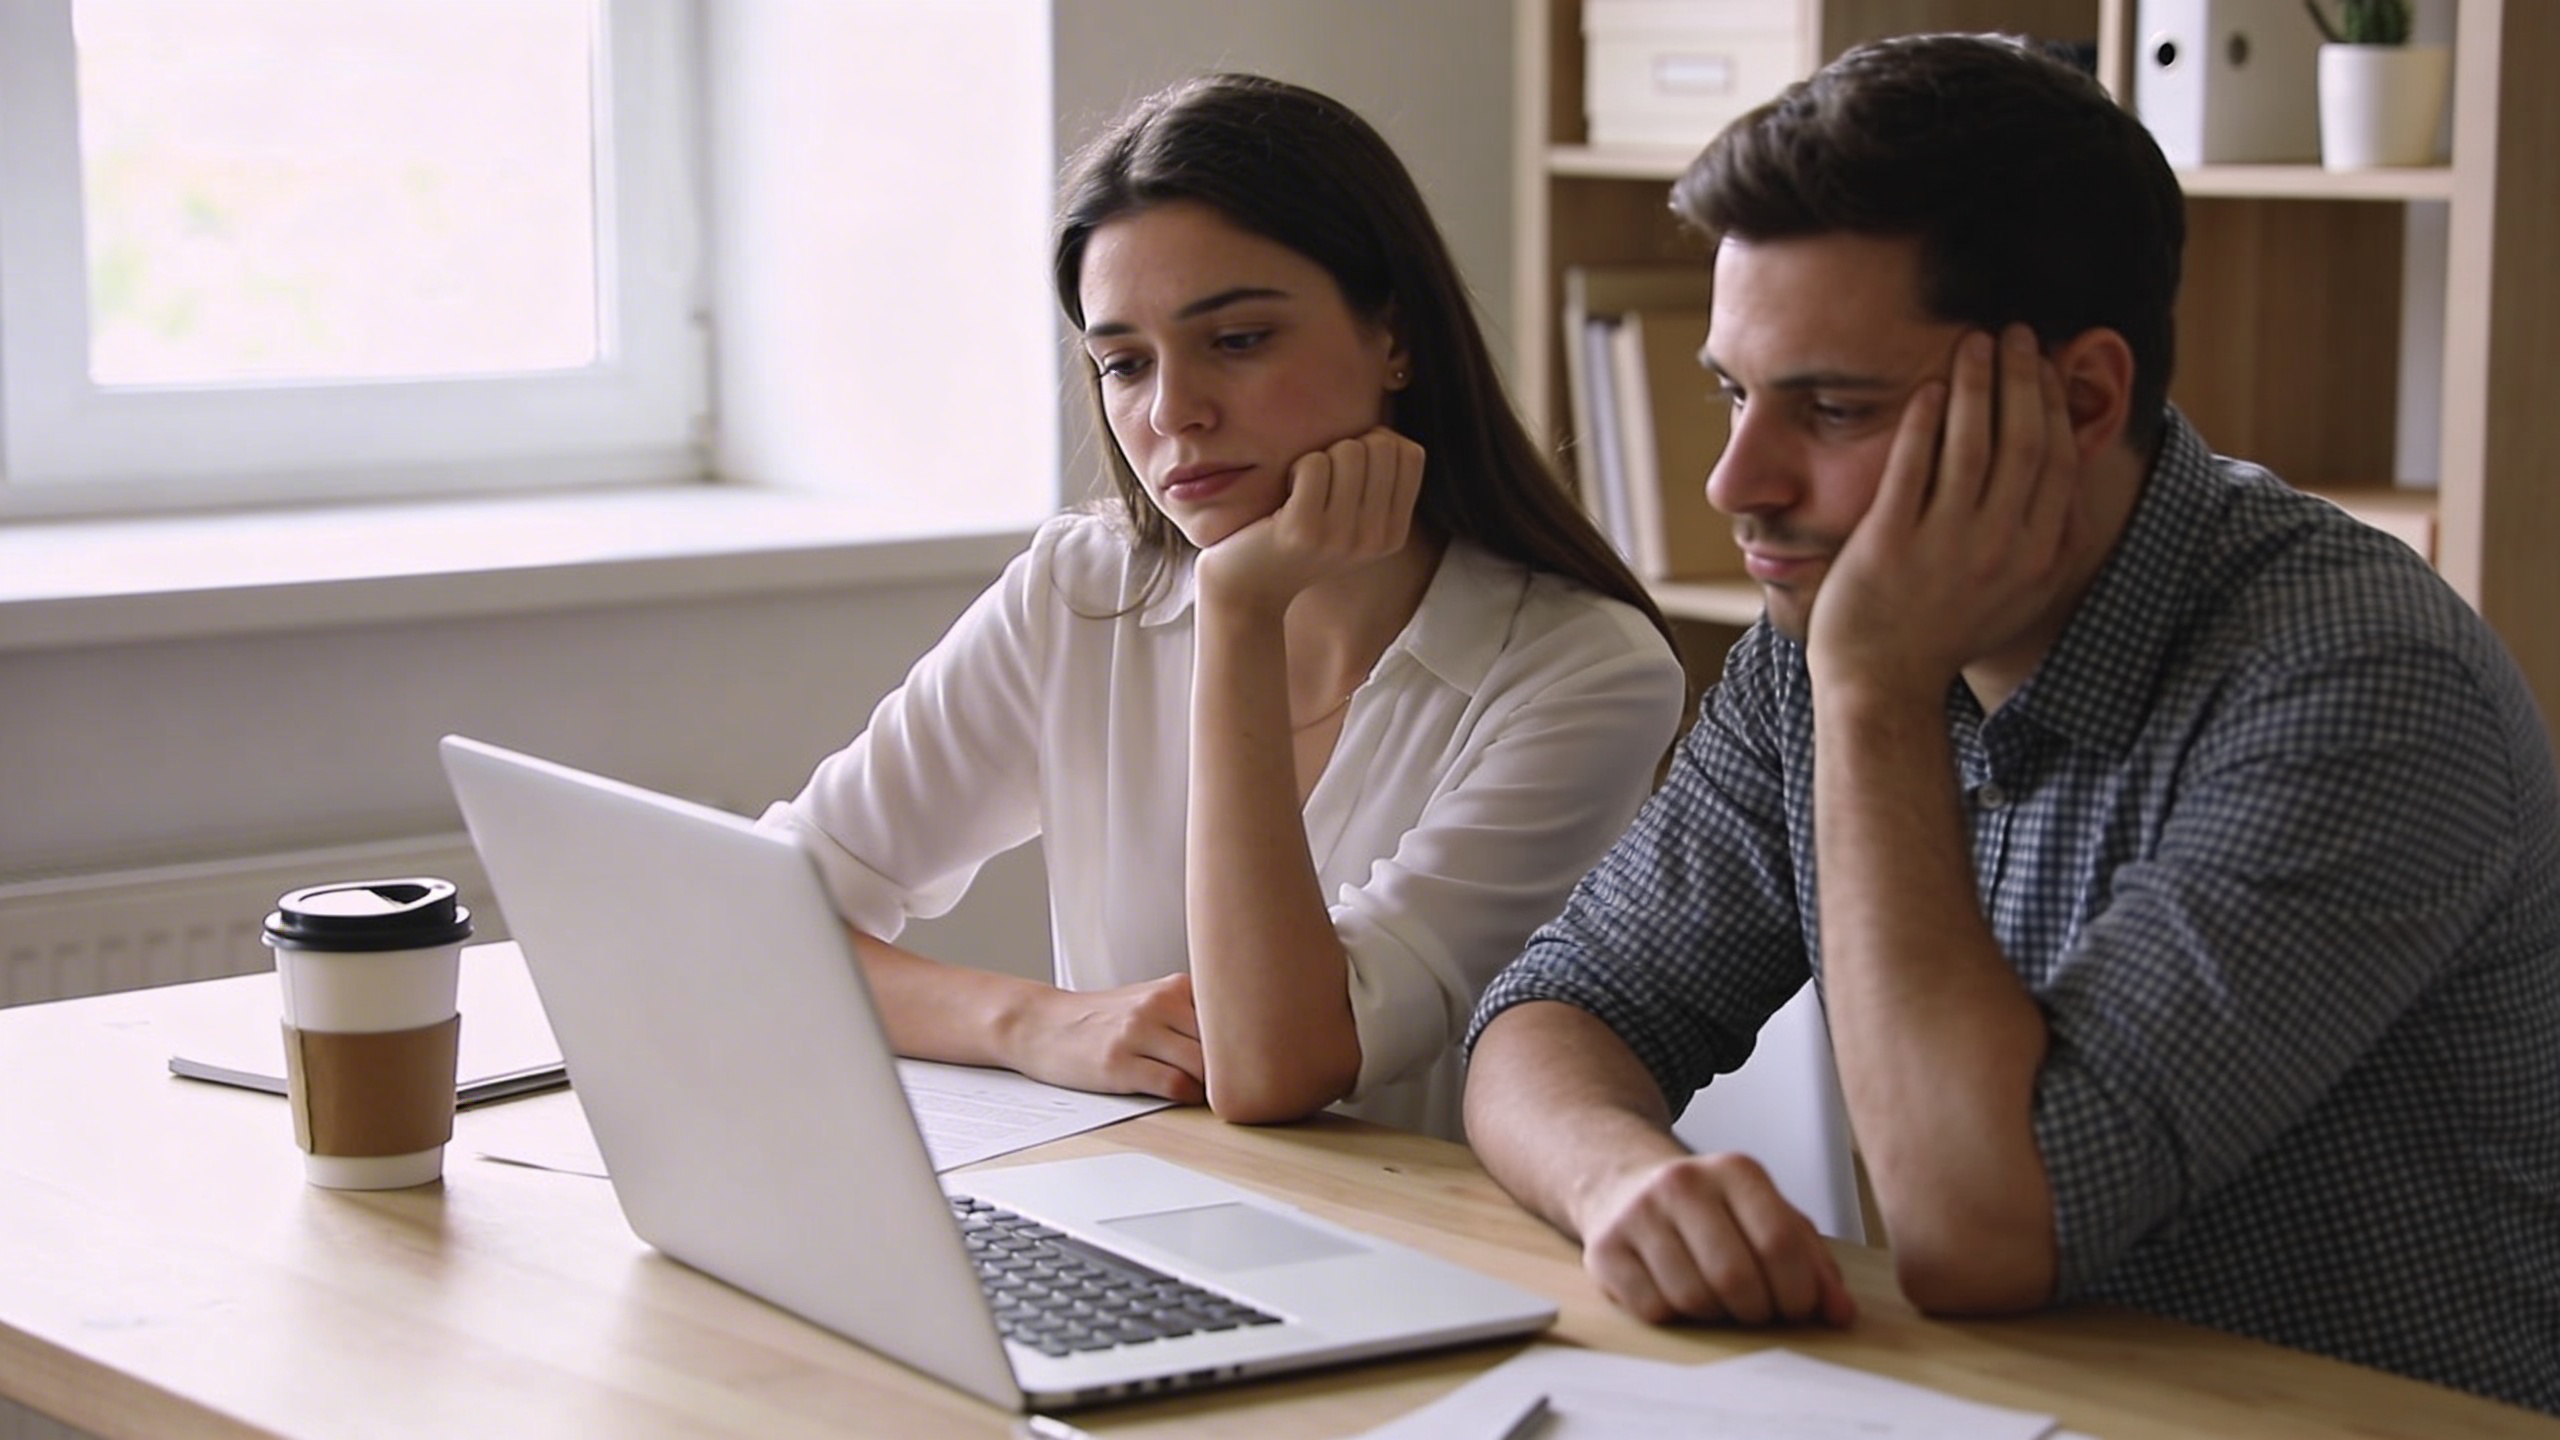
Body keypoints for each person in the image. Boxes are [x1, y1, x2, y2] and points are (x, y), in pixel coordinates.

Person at [1462, 32, 2560, 1413]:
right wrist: (1622, 1177)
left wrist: (1873, 693)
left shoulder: (2362, 684)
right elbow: (1555, 1013)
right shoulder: (1818, 648)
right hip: (2003, 1402)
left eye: (1836, 407)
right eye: (1733, 392)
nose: (1737, 479)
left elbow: (1984, 1232)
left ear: (2082, 398)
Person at [762, 72, 1686, 1142]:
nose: (1173, 412)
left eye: (1237, 340)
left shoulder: (1583, 672)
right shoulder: (1084, 590)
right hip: (1131, 1213)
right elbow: (768, 920)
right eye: (1122, 362)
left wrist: (1240, 612)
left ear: (1395, 337)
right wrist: (1032, 1023)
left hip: (1425, 1261)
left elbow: (1274, 1065)